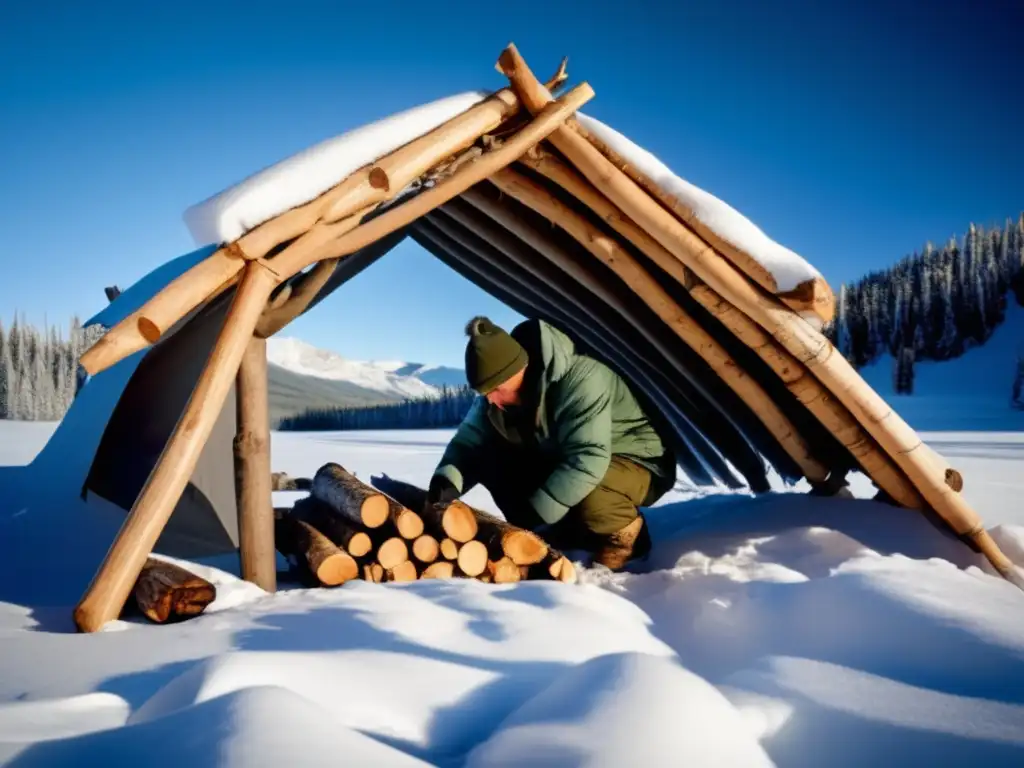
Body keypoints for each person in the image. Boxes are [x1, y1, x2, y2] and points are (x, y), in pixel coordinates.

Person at [426, 315, 677, 570]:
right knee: (493, 460)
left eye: (495, 389)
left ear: (516, 370)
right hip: (573, 459)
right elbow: (468, 444)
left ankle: (628, 539)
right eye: (484, 392)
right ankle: (562, 531)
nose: (490, 399)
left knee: (591, 489)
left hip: (639, 464)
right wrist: (446, 482)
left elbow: (588, 458)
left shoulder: (582, 378)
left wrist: (539, 511)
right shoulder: (495, 396)